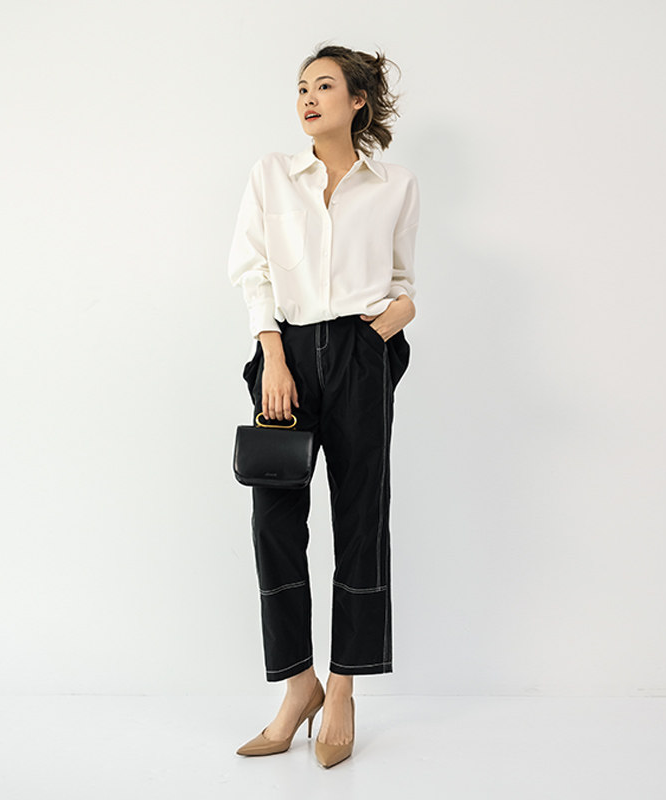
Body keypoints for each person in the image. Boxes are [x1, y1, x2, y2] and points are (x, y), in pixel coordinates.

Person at [227, 43, 419, 768]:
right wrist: (273, 355)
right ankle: (297, 684)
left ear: (358, 100)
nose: (308, 98)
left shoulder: (396, 185)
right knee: (274, 522)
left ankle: (342, 688)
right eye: (302, 87)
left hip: (364, 355)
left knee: (361, 518)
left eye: (325, 86)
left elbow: (403, 281)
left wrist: (388, 324)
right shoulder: (272, 174)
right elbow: (252, 270)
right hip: (288, 356)